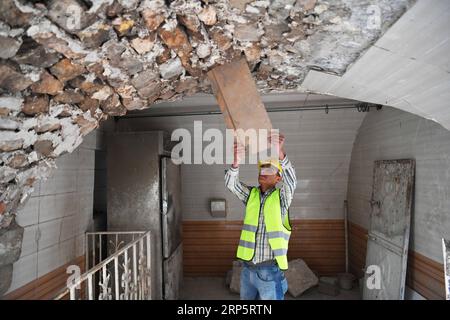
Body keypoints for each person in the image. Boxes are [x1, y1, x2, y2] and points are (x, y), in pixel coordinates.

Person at [224, 133, 297, 300]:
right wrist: (236, 161)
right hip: (247, 269)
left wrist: (279, 152)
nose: (264, 171)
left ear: (278, 178)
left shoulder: (282, 198)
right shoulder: (252, 195)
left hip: (269, 272)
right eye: (262, 168)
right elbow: (231, 184)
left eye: (269, 169)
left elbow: (292, 181)